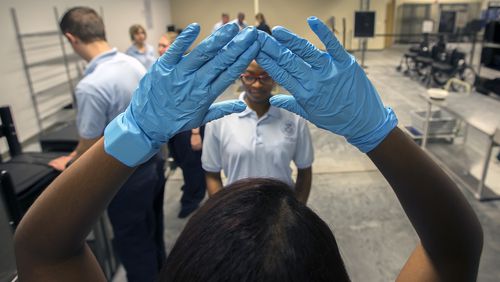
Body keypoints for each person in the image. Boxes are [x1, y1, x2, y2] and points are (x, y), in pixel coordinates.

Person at [14, 18, 483, 282]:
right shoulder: (223, 122)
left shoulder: (289, 121)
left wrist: (135, 131)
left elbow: (44, 250)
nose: (256, 80)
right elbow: (453, 250)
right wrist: (376, 132)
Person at [48, 7, 166, 282]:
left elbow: (89, 145)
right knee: (153, 234)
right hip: (153, 163)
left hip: (124, 178)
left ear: (71, 38)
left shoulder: (91, 85)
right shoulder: (134, 64)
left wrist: (72, 158)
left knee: (134, 244)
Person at [202, 60, 313, 203]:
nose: (257, 85)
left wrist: (297, 212)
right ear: (240, 75)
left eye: (265, 76)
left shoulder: (294, 116)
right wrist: (223, 213)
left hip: (282, 208)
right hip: (237, 208)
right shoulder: (220, 118)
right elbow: (212, 173)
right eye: (249, 77)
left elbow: (305, 170)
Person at [158, 32, 207, 218]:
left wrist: (195, 132)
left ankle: (193, 198)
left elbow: (199, 99)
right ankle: (192, 185)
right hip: (174, 126)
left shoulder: (188, 68)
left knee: (193, 164)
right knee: (181, 161)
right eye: (159, 45)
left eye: (164, 45)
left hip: (190, 126)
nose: (160, 49)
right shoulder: (165, 67)